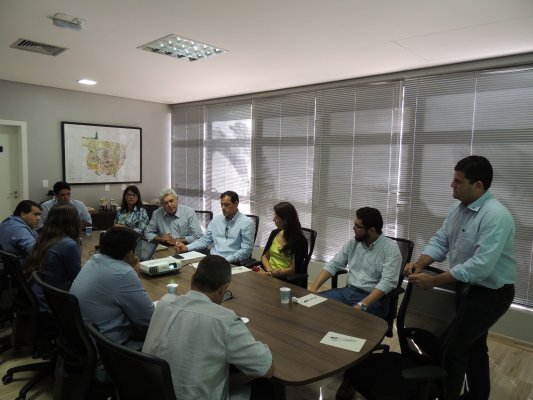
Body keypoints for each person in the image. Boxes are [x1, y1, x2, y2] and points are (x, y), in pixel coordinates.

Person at [404, 155, 516, 400]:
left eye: (457, 181)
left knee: (453, 350)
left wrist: (434, 281)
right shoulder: (458, 209)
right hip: (466, 288)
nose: (451, 185)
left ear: (478, 186)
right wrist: (421, 263)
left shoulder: (496, 216)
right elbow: (441, 240)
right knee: (474, 346)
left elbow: (480, 266)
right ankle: (478, 395)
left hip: (491, 294)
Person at [142, 255, 273, 399]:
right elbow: (266, 368)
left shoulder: (164, 302)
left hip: (152, 392)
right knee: (266, 385)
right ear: (223, 289)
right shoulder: (225, 321)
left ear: (192, 279)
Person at [309, 207, 401, 319]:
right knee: (314, 303)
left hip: (373, 299)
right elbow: (334, 264)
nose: (353, 228)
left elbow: (387, 282)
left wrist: (362, 304)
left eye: (357, 226)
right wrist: (314, 288)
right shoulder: (354, 242)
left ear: (371, 230)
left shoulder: (390, 249)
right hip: (348, 292)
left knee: (349, 319)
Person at [70, 226, 154, 348]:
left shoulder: (92, 261)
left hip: (81, 339)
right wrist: (134, 273)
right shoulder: (123, 273)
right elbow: (149, 320)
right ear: (130, 254)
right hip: (107, 347)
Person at [26, 204, 81, 312]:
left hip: (38, 296)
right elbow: (78, 280)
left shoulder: (44, 238)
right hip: (52, 303)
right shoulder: (69, 245)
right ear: (73, 221)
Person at [176, 191, 255, 264]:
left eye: (227, 205)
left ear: (236, 204)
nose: (223, 208)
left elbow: (246, 250)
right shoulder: (216, 220)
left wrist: (226, 260)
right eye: (221, 204)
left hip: (232, 262)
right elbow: (205, 240)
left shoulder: (247, 223)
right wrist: (187, 247)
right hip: (213, 258)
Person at [257, 202, 308, 278]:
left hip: (284, 279)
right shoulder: (275, 233)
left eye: (276, 218)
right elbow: (265, 257)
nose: (273, 219)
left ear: (286, 220)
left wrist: (269, 274)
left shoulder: (299, 240)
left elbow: (293, 270)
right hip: (269, 274)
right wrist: (270, 271)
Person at [0, 200, 41, 264]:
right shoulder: (18, 228)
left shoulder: (10, 220)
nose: (39, 218)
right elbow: (36, 252)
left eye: (39, 215)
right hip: (17, 266)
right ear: (23, 214)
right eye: (36, 214)